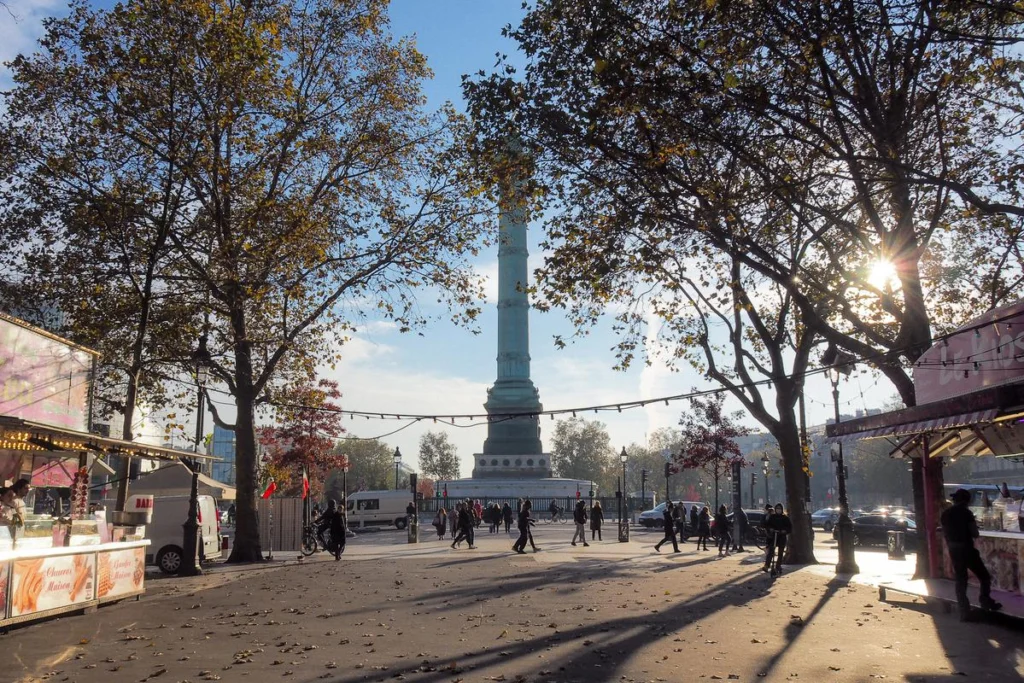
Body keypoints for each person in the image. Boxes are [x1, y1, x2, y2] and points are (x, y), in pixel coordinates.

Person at [941, 488, 1002, 620]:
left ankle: (964, 611)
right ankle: (985, 601)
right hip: (967, 549)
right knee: (984, 576)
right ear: (967, 501)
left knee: (961, 580)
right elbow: (975, 533)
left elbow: (945, 533)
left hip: (954, 549)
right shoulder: (967, 513)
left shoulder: (945, 514)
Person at [763, 503, 792, 576]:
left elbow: (789, 528)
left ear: (782, 510)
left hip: (782, 537)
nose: (778, 510)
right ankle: (767, 565)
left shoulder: (785, 518)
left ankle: (778, 566)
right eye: (777, 508)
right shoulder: (772, 517)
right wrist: (770, 529)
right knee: (771, 551)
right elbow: (767, 525)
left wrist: (784, 531)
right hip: (774, 537)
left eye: (779, 509)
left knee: (780, 553)